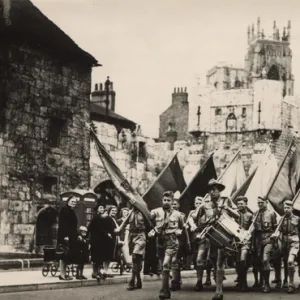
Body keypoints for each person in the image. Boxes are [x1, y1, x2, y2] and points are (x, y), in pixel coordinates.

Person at [190, 178, 239, 300]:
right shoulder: (204, 204)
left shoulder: (226, 200)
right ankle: (204, 282)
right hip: (209, 237)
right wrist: (193, 225)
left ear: (219, 191)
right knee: (210, 261)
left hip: (222, 236)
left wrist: (228, 209)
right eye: (210, 190)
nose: (212, 192)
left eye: (214, 190)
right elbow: (193, 216)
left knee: (219, 262)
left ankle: (219, 291)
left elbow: (237, 215)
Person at [148, 191, 184, 300]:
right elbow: (149, 217)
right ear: (162, 200)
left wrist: (179, 231)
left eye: (169, 200)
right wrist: (153, 231)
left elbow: (182, 227)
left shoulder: (178, 214)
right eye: (164, 200)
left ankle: (163, 290)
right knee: (164, 266)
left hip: (171, 241)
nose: (166, 202)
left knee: (165, 264)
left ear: (172, 201)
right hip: (160, 241)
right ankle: (167, 289)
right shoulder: (157, 211)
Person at [248, 196, 277, 293]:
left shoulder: (271, 214)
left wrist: (274, 240)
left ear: (266, 202)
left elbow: (275, 229)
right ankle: (261, 282)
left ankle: (267, 284)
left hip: (268, 239)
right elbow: (253, 230)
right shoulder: (255, 214)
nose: (260, 204)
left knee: (265, 260)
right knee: (258, 262)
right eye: (258, 203)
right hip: (257, 240)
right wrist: (252, 243)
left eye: (262, 202)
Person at [271, 199, 300, 293]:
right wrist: (275, 235)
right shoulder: (281, 219)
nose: (286, 209)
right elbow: (279, 230)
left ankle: (291, 284)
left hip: (294, 242)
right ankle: (285, 281)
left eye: (288, 207)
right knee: (286, 262)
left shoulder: (297, 219)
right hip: (284, 243)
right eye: (285, 207)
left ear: (292, 208)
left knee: (290, 261)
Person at [117, 207, 147, 291]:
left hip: (141, 235)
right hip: (131, 236)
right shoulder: (130, 212)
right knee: (137, 261)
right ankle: (139, 281)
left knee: (134, 257)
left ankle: (132, 281)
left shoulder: (144, 213)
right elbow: (125, 222)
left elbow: (150, 224)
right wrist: (119, 229)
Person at [88, 204, 116, 279]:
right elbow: (94, 228)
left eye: (103, 208)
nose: (102, 209)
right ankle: (94, 273)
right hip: (95, 239)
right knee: (95, 257)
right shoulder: (95, 218)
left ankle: (98, 272)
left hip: (101, 240)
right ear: (97, 209)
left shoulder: (103, 218)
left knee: (99, 257)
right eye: (100, 208)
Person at [57, 196, 78, 280]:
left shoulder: (71, 210)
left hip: (71, 236)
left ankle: (64, 274)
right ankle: (62, 274)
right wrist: (65, 236)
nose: (73, 203)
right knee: (64, 255)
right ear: (68, 201)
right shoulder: (65, 210)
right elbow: (63, 224)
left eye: (75, 202)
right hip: (66, 236)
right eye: (72, 201)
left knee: (66, 256)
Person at [235, 196, 253, 292]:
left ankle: (244, 283)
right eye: (238, 204)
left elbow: (252, 230)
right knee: (238, 263)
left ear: (246, 204)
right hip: (236, 242)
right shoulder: (234, 214)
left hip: (246, 241)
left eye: (241, 203)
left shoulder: (250, 215)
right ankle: (240, 281)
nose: (239, 205)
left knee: (243, 260)